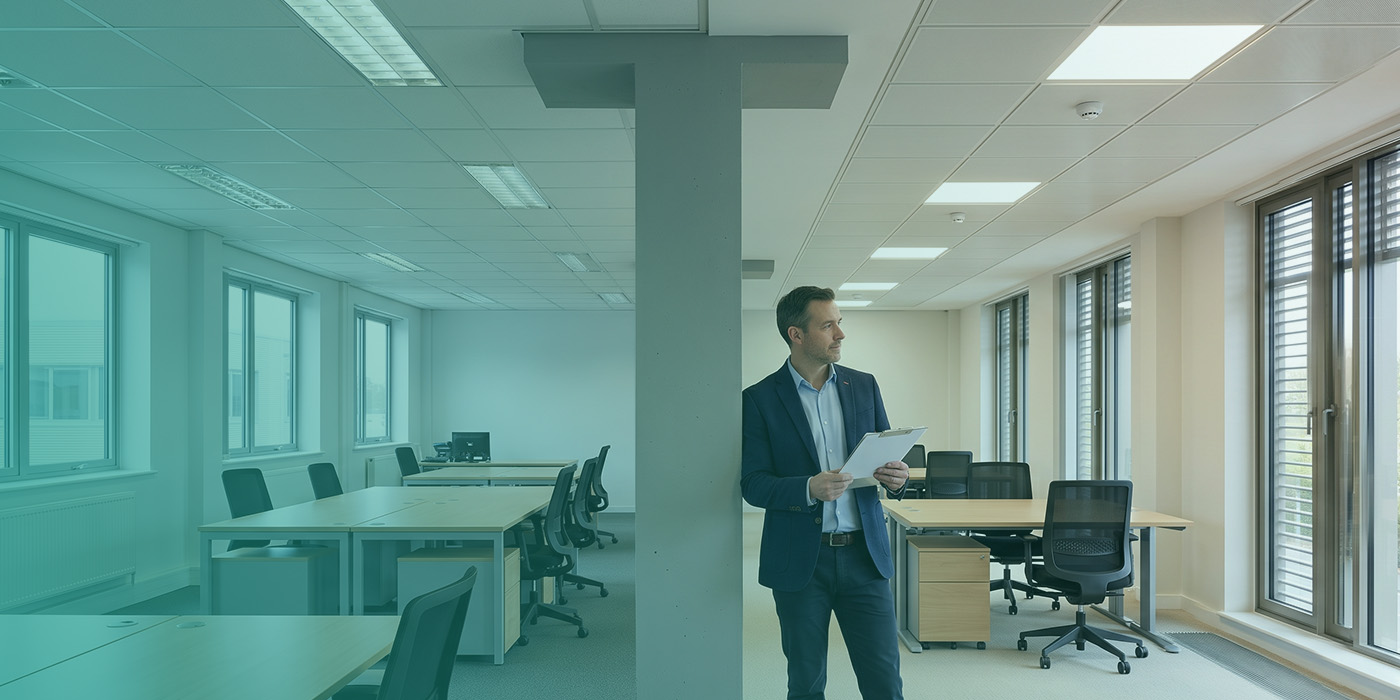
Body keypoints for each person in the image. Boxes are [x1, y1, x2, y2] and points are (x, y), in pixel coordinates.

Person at [742, 285, 910, 700]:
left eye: (839, 323)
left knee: (885, 682)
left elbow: (883, 458)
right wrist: (808, 487)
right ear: (796, 334)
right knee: (806, 681)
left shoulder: (864, 386)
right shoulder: (759, 399)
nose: (840, 334)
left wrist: (896, 478)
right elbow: (753, 483)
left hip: (864, 558)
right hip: (802, 561)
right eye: (828, 324)